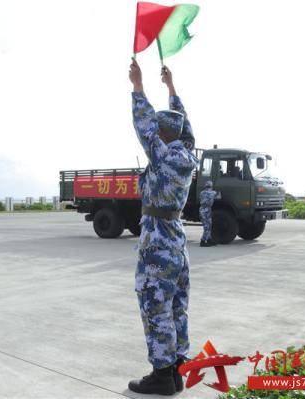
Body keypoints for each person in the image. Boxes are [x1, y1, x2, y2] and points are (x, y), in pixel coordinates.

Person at [127, 58, 199, 395]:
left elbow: (144, 127)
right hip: (177, 244)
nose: (155, 131)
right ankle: (175, 371)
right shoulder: (186, 155)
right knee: (176, 306)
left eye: (160, 128)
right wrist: (171, 89)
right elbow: (186, 129)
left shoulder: (163, 155)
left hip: (157, 243)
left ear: (164, 133)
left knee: (154, 305)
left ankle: (161, 376)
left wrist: (138, 86)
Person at [199, 181, 218, 247]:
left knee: (207, 226)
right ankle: (203, 241)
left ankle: (209, 239)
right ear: (211, 186)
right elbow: (218, 197)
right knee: (207, 226)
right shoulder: (213, 193)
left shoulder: (201, 193)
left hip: (202, 210)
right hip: (207, 210)